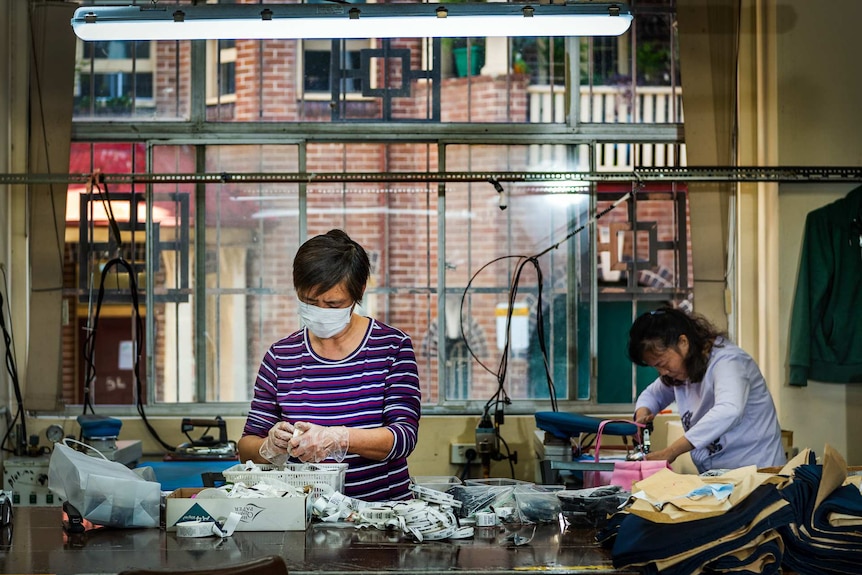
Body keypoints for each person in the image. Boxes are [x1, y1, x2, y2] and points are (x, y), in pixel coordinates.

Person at [237, 229, 421, 502]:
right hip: (305, 513)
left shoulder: (392, 347)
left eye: (333, 304)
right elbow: (246, 446)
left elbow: (404, 437)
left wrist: (339, 438)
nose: (321, 311)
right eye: (310, 303)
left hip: (381, 514)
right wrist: (269, 446)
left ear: (358, 292)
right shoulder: (281, 356)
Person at [627, 307, 786, 473]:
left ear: (683, 343)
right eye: (656, 368)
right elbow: (653, 394)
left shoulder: (728, 361)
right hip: (720, 475)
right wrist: (642, 416)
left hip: (756, 471)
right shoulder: (682, 371)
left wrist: (671, 451)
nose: (662, 372)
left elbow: (729, 410)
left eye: (663, 364)